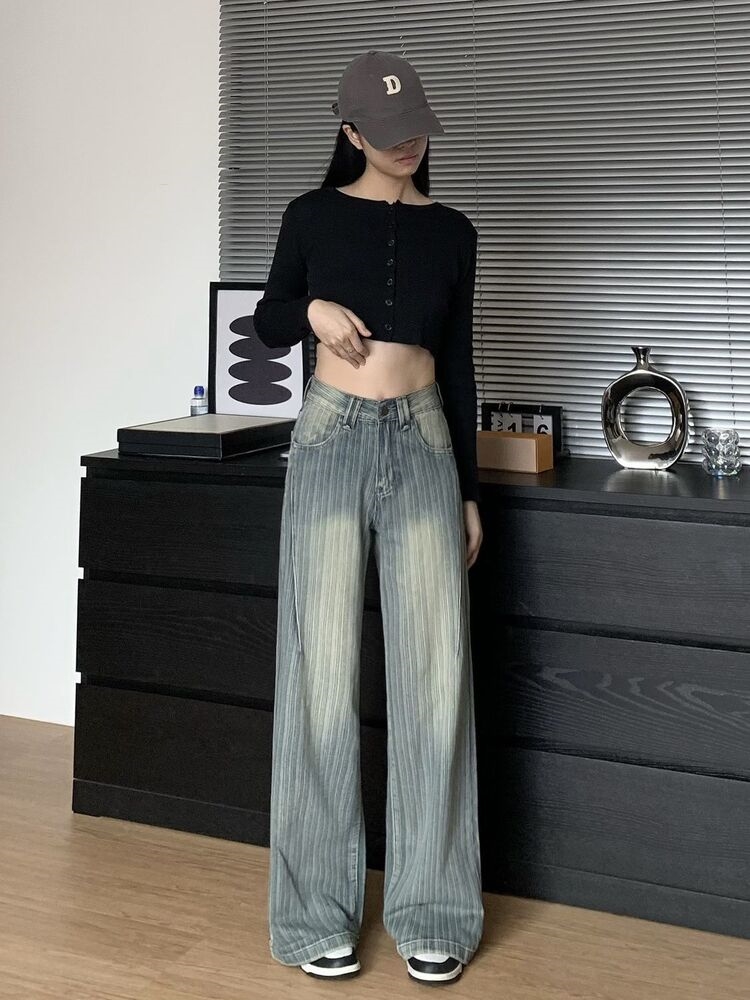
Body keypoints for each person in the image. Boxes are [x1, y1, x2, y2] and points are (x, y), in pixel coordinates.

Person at [253, 49, 485, 985]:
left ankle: (434, 910)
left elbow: (460, 363)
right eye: (387, 133)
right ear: (350, 132)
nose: (406, 144)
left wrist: (467, 489)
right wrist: (311, 309)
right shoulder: (309, 216)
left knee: (436, 677)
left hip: (425, 441)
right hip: (330, 437)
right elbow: (268, 318)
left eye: (415, 128)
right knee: (318, 676)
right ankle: (315, 916)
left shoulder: (455, 232)